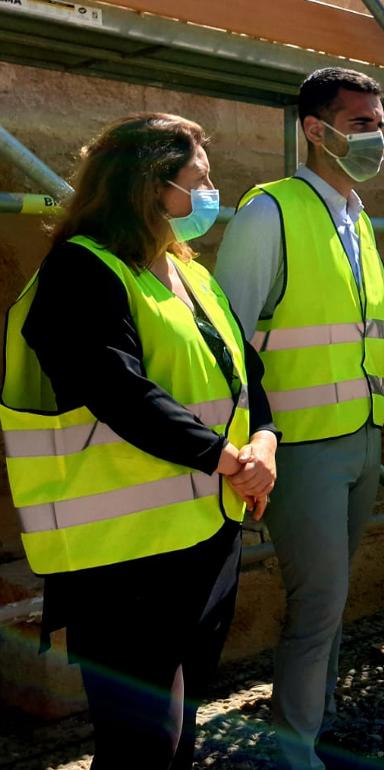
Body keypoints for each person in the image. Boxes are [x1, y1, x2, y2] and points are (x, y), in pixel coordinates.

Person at [0, 113, 277, 769]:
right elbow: (116, 388)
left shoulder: (193, 275)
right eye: (198, 180)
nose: (211, 195)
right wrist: (225, 457)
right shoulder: (81, 271)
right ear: (151, 188)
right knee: (137, 742)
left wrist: (264, 442)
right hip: (124, 559)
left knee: (177, 726)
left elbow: (249, 381)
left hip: (207, 534)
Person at [214, 67, 384, 770]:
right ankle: (295, 753)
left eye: (381, 124)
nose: (377, 139)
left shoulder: (355, 221)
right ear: (314, 131)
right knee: (317, 606)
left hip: (359, 440)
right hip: (300, 449)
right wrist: (251, 449)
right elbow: (228, 342)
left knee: (333, 601)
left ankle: (310, 729)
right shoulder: (272, 212)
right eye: (362, 125)